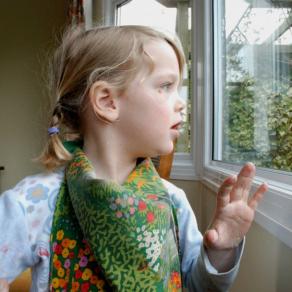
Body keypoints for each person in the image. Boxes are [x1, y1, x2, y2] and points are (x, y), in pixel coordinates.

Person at [0, 25, 268, 292]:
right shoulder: (30, 204)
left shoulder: (173, 202)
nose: (181, 103)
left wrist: (221, 250)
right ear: (107, 101)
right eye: (165, 86)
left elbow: (200, 286)